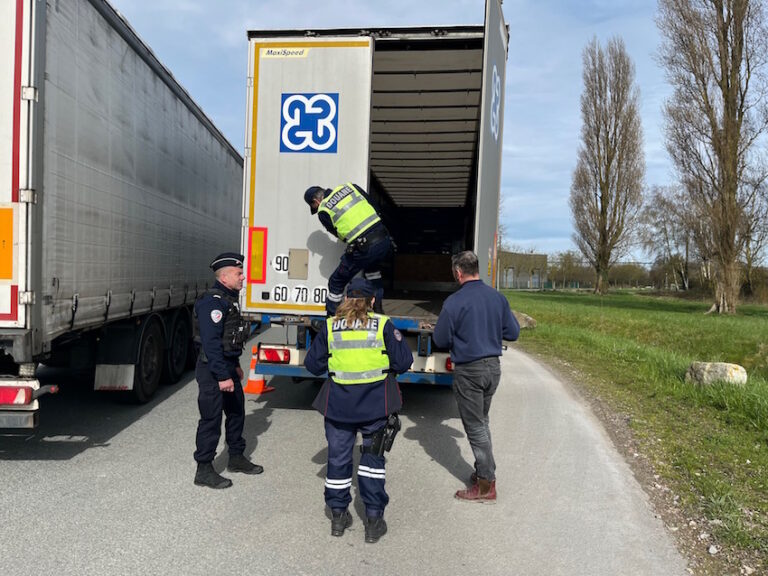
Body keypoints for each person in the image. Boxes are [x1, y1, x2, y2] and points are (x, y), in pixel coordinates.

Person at [304, 277, 413, 543]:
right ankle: (374, 521)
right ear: (372, 300)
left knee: (338, 461)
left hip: (338, 407)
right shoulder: (383, 325)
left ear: (346, 300)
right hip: (375, 407)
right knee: (372, 463)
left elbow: (312, 365)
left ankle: (338, 517)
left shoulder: (330, 327)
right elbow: (404, 361)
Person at [432, 251, 520, 503]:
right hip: (493, 369)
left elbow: (440, 339)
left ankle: (485, 486)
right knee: (482, 421)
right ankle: (484, 471)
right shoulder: (497, 298)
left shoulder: (454, 302)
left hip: (470, 371)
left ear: (458, 273)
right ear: (476, 269)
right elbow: (512, 333)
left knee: (476, 427)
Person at [193, 252, 263, 489]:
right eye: (238, 273)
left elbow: (229, 339)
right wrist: (223, 376)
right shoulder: (212, 302)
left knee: (236, 412)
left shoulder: (228, 299)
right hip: (213, 370)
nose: (243, 277)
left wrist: (234, 367)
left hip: (227, 367)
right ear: (224, 277)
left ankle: (236, 457)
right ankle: (203, 469)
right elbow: (211, 344)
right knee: (211, 418)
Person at [304, 183, 392, 316]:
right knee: (372, 272)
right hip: (384, 238)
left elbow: (339, 234)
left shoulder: (323, 211)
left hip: (365, 247)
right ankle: (378, 310)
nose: (317, 209)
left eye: (314, 207)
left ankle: (333, 318)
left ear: (316, 201)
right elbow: (373, 205)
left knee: (336, 281)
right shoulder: (349, 187)